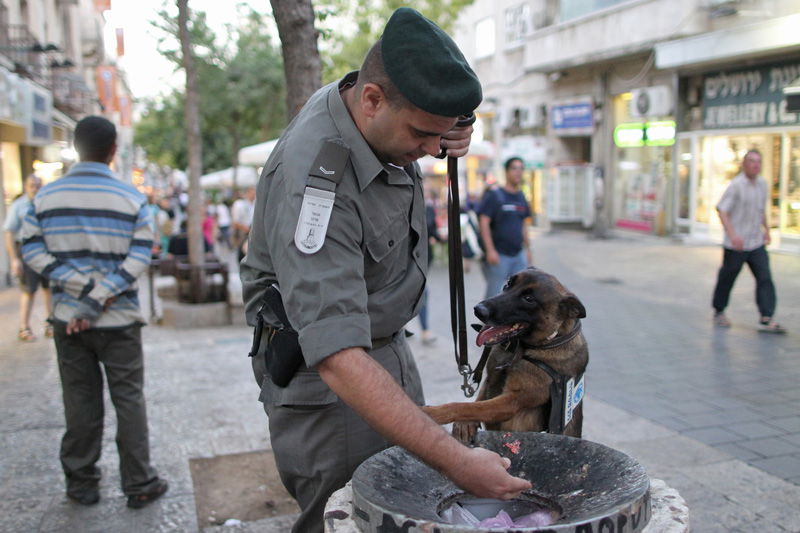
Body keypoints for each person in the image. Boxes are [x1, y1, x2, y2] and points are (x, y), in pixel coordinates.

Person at [240, 8, 530, 533]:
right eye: (423, 134)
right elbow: (336, 356)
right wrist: (459, 460)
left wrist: (448, 130)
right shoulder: (317, 182)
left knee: (400, 510)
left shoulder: (365, 107)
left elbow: (420, 122)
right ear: (371, 99)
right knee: (348, 520)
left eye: (439, 138)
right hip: (332, 391)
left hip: (384, 357)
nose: (429, 151)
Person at [20, 116, 168, 508]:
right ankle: (139, 483)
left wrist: (80, 291)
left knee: (79, 401)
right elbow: (140, 255)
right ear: (114, 150)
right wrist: (100, 293)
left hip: (68, 320)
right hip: (119, 321)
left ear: (76, 146)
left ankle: (81, 483)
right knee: (129, 401)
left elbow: (31, 250)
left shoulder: (45, 198)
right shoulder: (132, 199)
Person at [712, 149, 786, 333]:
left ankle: (766, 316)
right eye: (752, 161)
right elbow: (722, 210)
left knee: (765, 278)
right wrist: (733, 234)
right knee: (727, 278)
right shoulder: (736, 185)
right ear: (744, 164)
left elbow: (760, 211)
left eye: (758, 162)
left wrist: (767, 231)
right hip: (736, 245)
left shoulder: (763, 184)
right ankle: (719, 310)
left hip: (755, 242)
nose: (755, 165)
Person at [3, 174, 53, 341]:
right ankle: (24, 327)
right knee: (28, 291)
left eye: (38, 185)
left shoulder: (46, 204)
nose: (35, 189)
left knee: (49, 289)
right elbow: (9, 232)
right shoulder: (19, 206)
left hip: (46, 251)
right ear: (26, 187)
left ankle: (50, 323)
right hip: (26, 252)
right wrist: (14, 259)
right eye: (32, 185)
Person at [478, 156, 533, 298]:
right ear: (506, 172)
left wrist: (527, 249)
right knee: (494, 296)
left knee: (520, 295)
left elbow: (523, 225)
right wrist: (490, 250)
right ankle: (488, 321)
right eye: (514, 168)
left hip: (518, 255)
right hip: (499, 255)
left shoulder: (521, 196)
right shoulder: (495, 195)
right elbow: (483, 221)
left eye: (521, 168)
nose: (518, 172)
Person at [231, 186, 255, 262]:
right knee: (243, 255)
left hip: (253, 232)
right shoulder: (239, 204)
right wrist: (247, 229)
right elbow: (235, 222)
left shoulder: (255, 204)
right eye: (252, 192)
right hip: (244, 233)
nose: (254, 194)